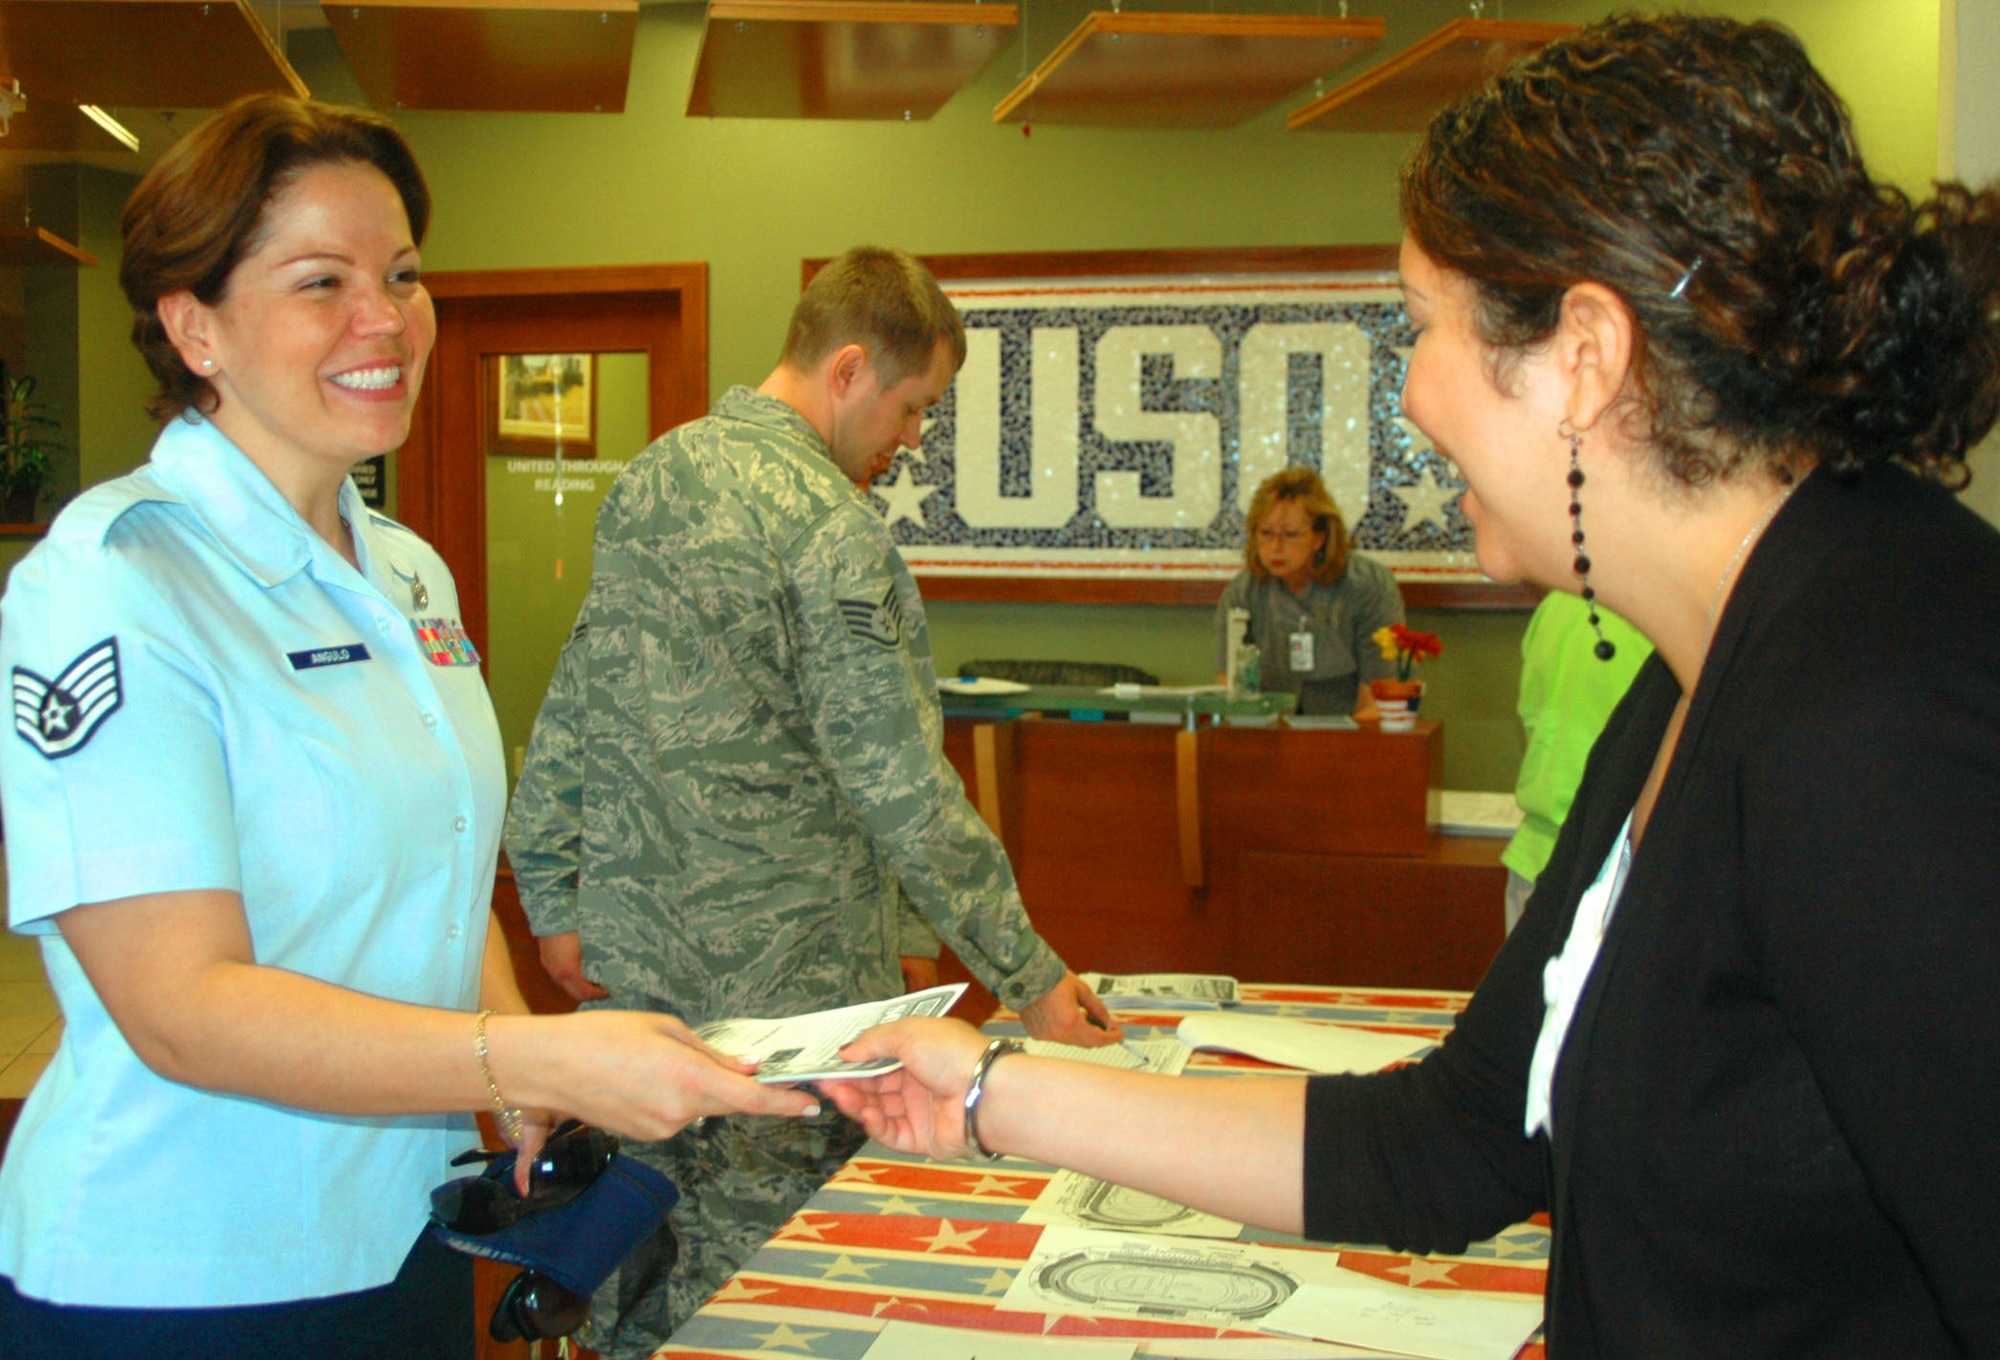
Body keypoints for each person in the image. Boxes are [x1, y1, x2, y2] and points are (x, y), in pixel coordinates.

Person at [826, 16, 2000, 1355]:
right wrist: (991, 1091)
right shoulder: (1693, 682)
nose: (1411, 394)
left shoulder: (1889, 715)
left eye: (1420, 326)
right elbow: (1459, 1142)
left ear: (1585, 356)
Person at [0, 94, 818, 1358]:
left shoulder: (406, 576)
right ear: (193, 325)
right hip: (180, 1271)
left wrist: (532, 1071)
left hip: (402, 1237)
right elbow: (180, 1005)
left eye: (402, 273)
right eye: (319, 281)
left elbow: (440, 884)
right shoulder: (114, 581)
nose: (384, 319)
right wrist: (512, 1059)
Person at [503, 245, 1119, 1354]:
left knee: (642, 1247)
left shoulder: (652, 476)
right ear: (846, 370)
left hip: (640, 977)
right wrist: (1024, 970)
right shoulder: (828, 529)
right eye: (911, 406)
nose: (909, 440)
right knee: (771, 1282)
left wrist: (551, 887)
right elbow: (897, 783)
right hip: (790, 1000)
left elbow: (577, 690)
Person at [1501, 592, 1650, 932]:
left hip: (1538, 855)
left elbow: (1531, 718)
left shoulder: (1556, 604)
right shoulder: (1665, 610)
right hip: (1619, 865)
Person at [1214, 466, 1403, 716]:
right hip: (1269, 738)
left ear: (1319, 537)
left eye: (1291, 535)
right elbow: (1230, 694)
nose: (1275, 548)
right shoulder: (1242, 593)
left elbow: (1378, 701)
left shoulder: (1369, 587)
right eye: (1266, 534)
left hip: (1349, 738)